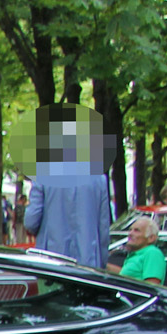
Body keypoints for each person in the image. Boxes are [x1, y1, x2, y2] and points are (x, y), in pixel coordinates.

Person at [23, 113, 113, 268]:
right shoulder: (99, 178)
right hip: (88, 262)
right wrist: (102, 262)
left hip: (51, 260)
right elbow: (104, 227)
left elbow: (31, 221)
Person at [116, 215, 166, 284]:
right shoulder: (135, 254)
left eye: (136, 230)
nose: (130, 233)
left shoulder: (152, 253)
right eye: (130, 230)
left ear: (151, 238)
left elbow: (152, 287)